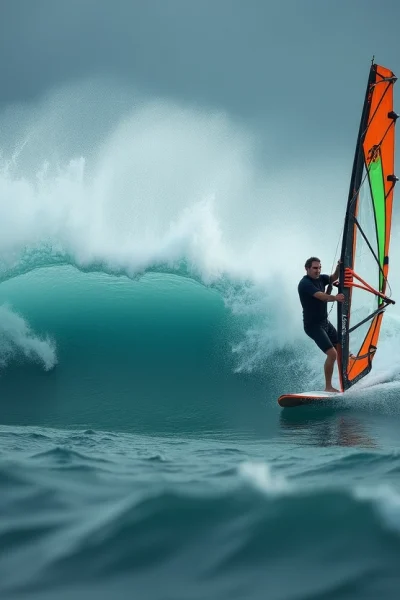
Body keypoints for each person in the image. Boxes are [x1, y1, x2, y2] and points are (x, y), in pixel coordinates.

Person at [298, 257, 345, 392]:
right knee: (332, 354)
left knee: (340, 347)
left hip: (325, 322)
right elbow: (321, 296)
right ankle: (328, 387)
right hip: (313, 326)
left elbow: (333, 277)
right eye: (314, 268)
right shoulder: (304, 284)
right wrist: (335, 298)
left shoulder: (321, 278)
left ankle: (345, 375)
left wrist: (338, 267)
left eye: (319, 268)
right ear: (307, 268)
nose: (317, 271)